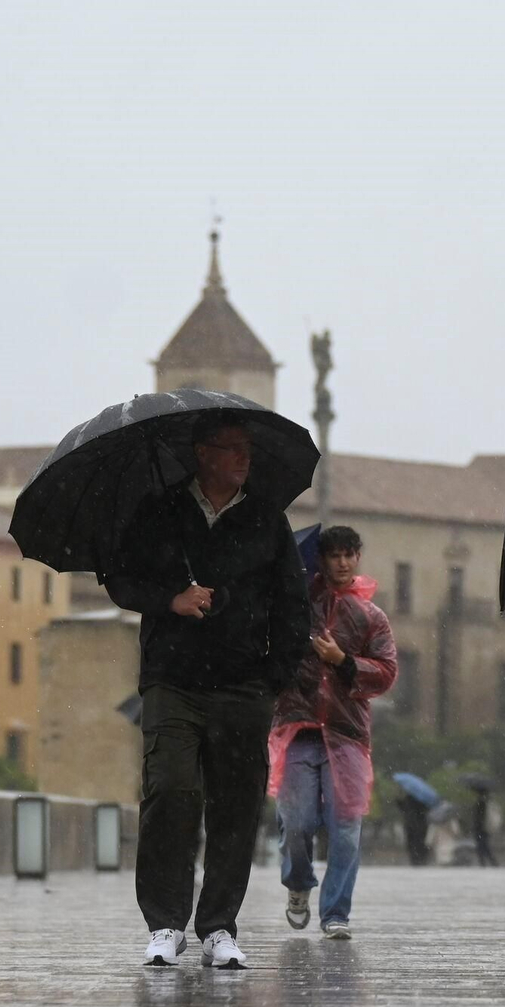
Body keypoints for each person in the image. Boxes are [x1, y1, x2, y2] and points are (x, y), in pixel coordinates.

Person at [105, 411, 310, 970]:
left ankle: (219, 926)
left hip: (244, 686)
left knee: (236, 806)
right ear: (203, 454)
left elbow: (294, 605)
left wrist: (273, 677)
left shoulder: (267, 519)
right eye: (232, 449)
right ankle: (165, 923)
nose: (244, 459)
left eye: (248, 449)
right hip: (173, 681)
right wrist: (171, 597)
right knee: (170, 789)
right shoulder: (159, 512)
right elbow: (120, 578)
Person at [267, 525, 397, 940]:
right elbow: (271, 655)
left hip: (347, 734)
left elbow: (386, 673)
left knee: (345, 827)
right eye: (333, 556)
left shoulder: (371, 617)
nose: (341, 563)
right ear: (320, 559)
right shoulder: (295, 605)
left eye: (348, 555)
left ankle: (336, 912)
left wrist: (343, 660)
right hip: (299, 729)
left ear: (358, 557)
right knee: (297, 821)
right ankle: (298, 883)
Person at [472, 788, 498, 867]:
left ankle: (484, 862)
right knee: (484, 846)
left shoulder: (481, 803)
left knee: (482, 846)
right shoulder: (486, 802)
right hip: (484, 828)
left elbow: (479, 817)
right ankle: (490, 861)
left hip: (481, 828)